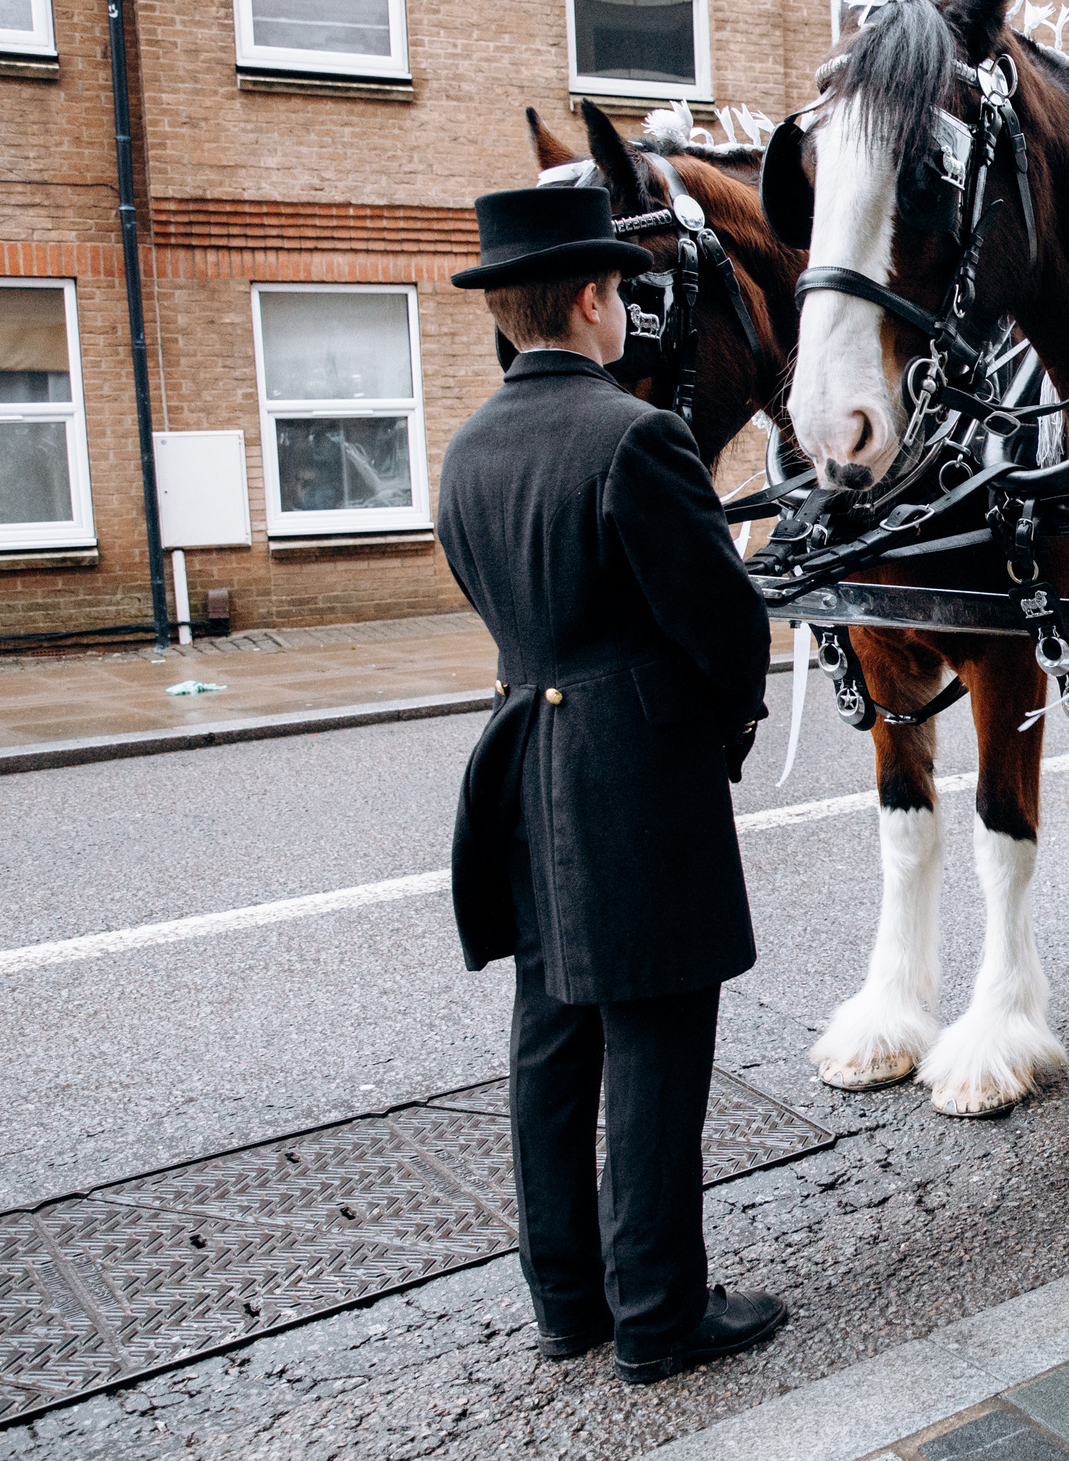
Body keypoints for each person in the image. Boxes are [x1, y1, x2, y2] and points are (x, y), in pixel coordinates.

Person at [440, 186, 782, 1385]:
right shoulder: (637, 437)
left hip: (520, 760)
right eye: (624, 292)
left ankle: (568, 1302)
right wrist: (724, 724)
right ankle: (660, 1314)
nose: (633, 310)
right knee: (655, 1040)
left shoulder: (468, 447)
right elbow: (724, 628)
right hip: (633, 770)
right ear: (592, 298)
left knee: (551, 1038)